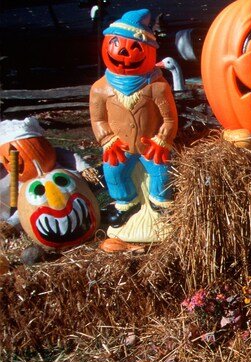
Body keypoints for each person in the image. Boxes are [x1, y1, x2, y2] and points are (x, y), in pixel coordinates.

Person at [88, 8, 177, 228]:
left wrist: (162, 140)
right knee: (113, 172)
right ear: (107, 44)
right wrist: (107, 139)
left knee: (162, 171)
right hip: (122, 146)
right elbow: (98, 120)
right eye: (116, 44)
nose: (124, 53)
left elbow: (170, 118)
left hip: (149, 145)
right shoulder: (100, 89)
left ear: (148, 51)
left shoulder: (157, 87)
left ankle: (161, 204)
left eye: (136, 47)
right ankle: (126, 203)